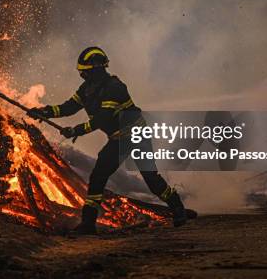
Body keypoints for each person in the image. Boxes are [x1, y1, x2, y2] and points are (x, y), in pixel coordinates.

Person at [29, 47, 187, 234]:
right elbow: (68, 107)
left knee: (151, 179)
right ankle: (88, 224)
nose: (82, 75)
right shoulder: (87, 89)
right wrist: (43, 111)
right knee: (98, 177)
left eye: (85, 71)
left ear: (95, 69)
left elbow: (102, 119)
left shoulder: (115, 87)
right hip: (117, 139)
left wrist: (76, 130)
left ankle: (177, 208)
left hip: (137, 136)